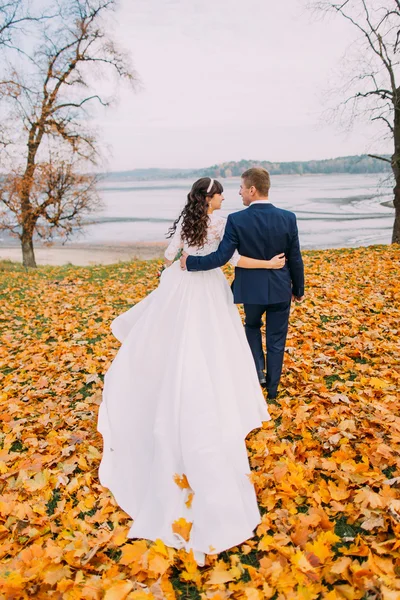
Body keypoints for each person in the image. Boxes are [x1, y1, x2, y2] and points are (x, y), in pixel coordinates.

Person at [97, 177, 285, 566]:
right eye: (220, 195)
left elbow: (171, 253)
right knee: (212, 342)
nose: (224, 199)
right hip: (207, 287)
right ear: (212, 198)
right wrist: (268, 263)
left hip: (180, 283)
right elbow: (232, 259)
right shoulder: (222, 223)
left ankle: (169, 379)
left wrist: (173, 265)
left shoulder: (187, 219)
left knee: (172, 338)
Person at [181, 168, 305, 400]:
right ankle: (273, 388)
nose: (239, 193)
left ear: (252, 189)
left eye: (241, 188)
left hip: (251, 289)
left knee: (252, 326)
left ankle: (258, 371)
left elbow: (222, 257)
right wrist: (298, 289)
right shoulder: (288, 218)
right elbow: (295, 257)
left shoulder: (237, 220)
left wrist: (191, 262)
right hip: (280, 289)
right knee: (277, 339)